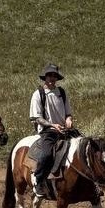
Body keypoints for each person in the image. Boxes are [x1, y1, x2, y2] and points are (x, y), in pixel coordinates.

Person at [28, 63, 74, 198]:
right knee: (47, 154)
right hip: (48, 131)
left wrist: (69, 120)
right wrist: (53, 125)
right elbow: (37, 118)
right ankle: (38, 180)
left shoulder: (62, 92)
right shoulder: (38, 94)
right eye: (50, 75)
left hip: (64, 130)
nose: (52, 78)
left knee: (85, 147)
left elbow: (68, 113)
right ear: (45, 77)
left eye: (54, 76)